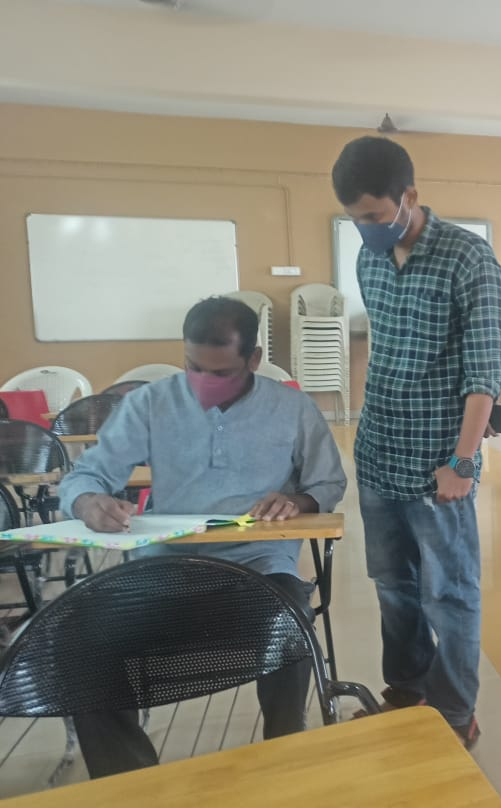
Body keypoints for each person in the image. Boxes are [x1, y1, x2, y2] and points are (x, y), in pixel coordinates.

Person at [58, 297, 347, 778]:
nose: (204, 382)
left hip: (258, 564)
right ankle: (128, 783)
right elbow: (86, 474)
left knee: (290, 620)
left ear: (254, 359)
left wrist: (299, 501)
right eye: (193, 368)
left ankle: (284, 760)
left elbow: (328, 483)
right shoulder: (151, 403)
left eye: (222, 372)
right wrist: (88, 501)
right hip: (164, 563)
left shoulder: (292, 408)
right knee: (86, 639)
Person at [331, 136, 501, 750]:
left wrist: (463, 461)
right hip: (379, 449)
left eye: (375, 215)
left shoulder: (468, 257)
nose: (367, 228)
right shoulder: (370, 257)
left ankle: (456, 714)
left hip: (438, 464)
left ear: (409, 196)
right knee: (392, 586)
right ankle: (407, 692)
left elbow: (485, 371)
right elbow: (384, 348)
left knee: (450, 595)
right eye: (356, 219)